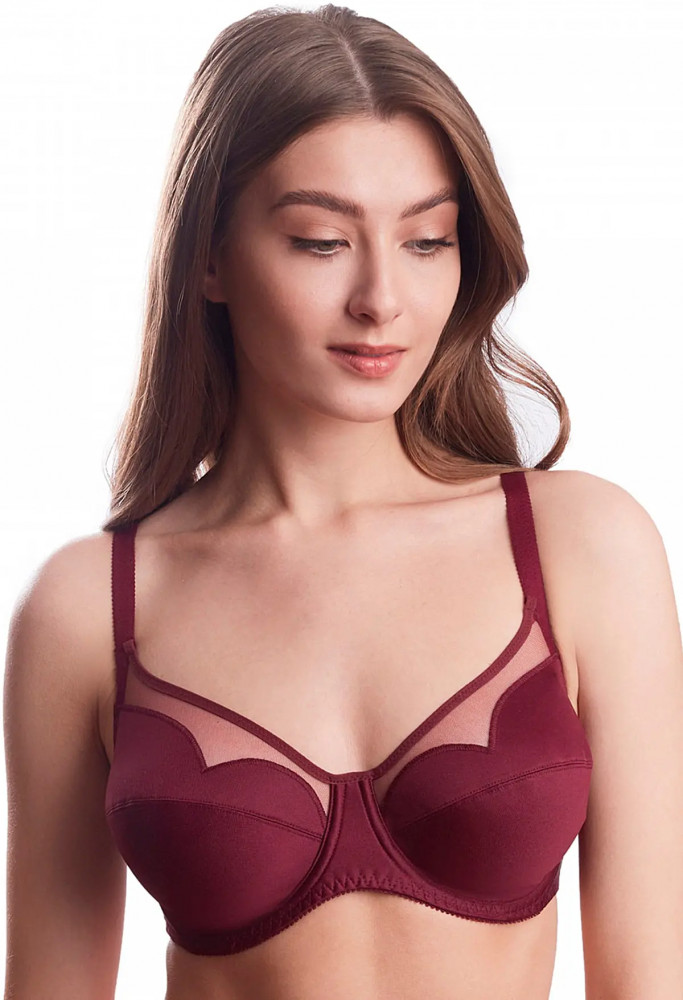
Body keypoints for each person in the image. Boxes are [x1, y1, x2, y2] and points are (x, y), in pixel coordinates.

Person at [4, 5, 682, 999]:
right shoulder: (87, 609)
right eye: (321, 242)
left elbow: (646, 979)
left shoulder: (582, 547)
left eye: (426, 240)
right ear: (207, 258)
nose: (381, 299)